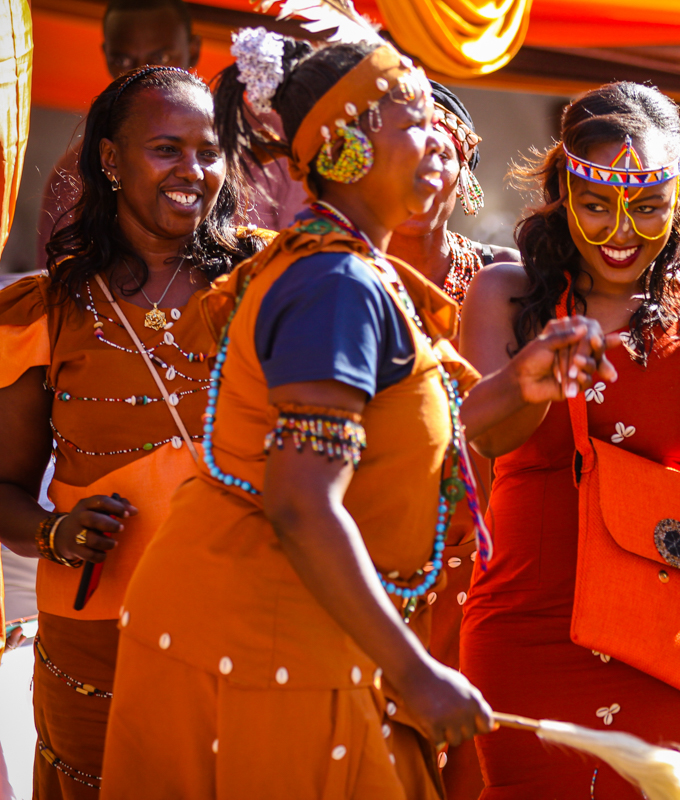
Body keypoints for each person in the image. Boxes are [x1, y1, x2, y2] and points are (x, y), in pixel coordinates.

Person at [99, 27, 615, 798]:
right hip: (261, 641)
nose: (438, 132)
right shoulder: (336, 283)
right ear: (345, 149)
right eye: (411, 115)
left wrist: (521, 386)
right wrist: (416, 674)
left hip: (288, 628)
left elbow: (389, 441)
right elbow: (303, 502)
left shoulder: (353, 266)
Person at [457, 81, 680, 799]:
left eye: (648, 206)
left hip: (666, 633)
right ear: (563, 192)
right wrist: (535, 378)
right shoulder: (507, 295)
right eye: (596, 205)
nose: (623, 230)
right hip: (527, 620)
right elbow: (476, 442)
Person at [0, 65, 267, 800]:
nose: (194, 171)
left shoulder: (267, 280)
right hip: (94, 630)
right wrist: (58, 532)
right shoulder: (45, 308)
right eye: (167, 149)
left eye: (209, 151)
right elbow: (5, 490)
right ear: (111, 161)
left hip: (241, 617)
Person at [385, 81, 517, 800]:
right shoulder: (333, 280)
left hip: (490, 585)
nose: (422, 163)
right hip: (370, 579)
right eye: (403, 142)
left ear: (463, 164)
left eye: (441, 144)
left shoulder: (507, 281)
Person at [35, 0, 201, 272]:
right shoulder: (74, 177)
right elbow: (59, 293)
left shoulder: (261, 153)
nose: (141, 73)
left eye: (160, 58)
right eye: (123, 60)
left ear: (193, 51)